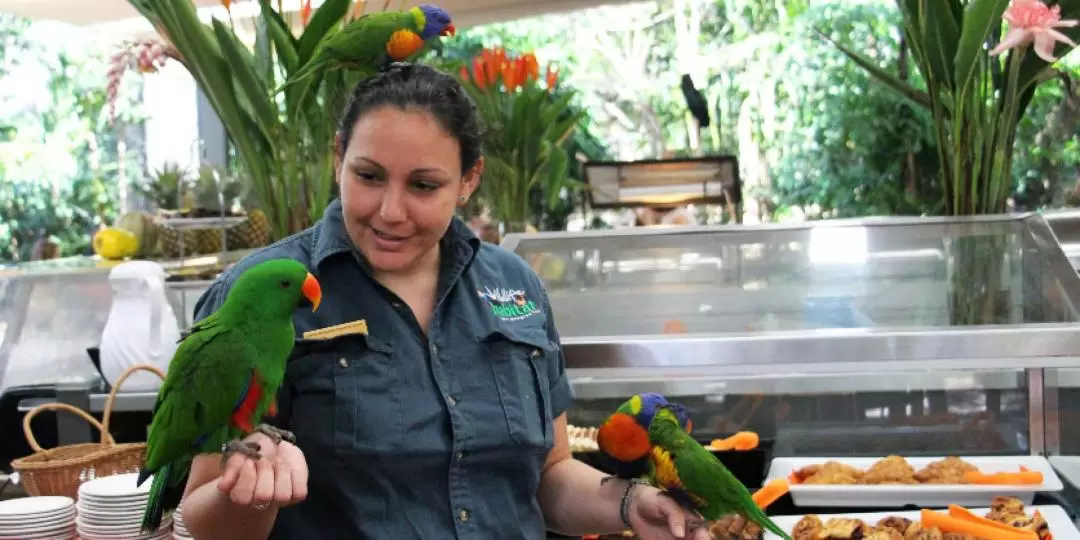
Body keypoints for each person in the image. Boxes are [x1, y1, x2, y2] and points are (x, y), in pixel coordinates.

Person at [178, 63, 710, 540]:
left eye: (424, 186)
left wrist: (630, 503)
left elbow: (548, 476)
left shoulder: (514, 285)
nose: (390, 210)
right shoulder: (253, 296)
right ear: (338, 156)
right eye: (367, 176)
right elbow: (201, 516)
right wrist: (250, 490)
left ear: (468, 180)